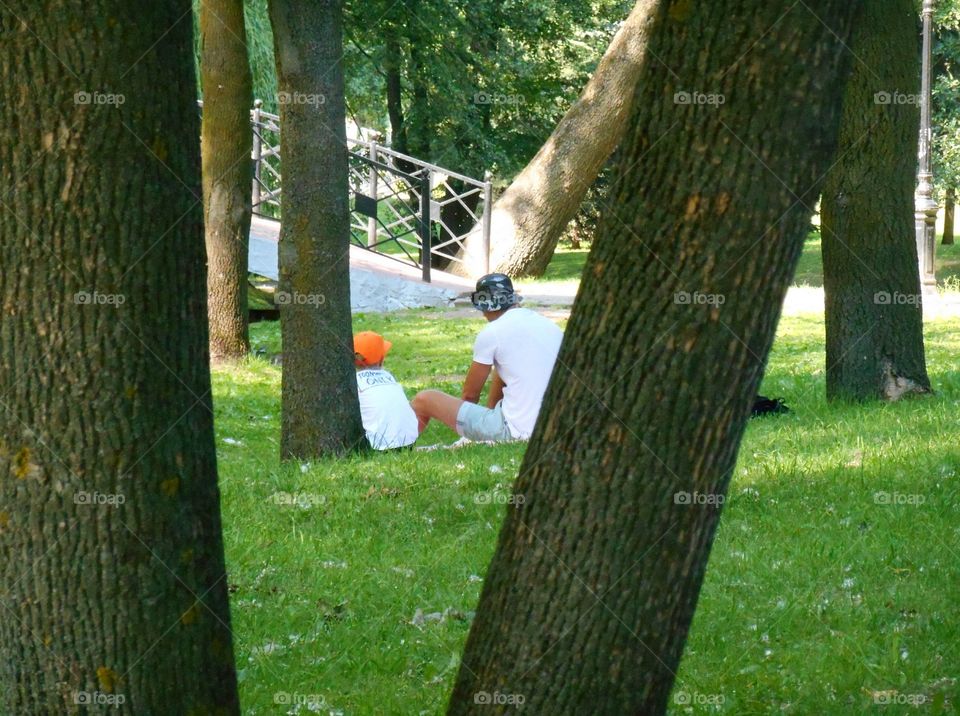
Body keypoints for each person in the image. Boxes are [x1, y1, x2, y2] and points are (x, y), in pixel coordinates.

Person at [412, 273, 563, 442]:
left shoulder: (493, 332)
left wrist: (466, 424)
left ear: (486, 305)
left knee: (424, 399)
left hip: (517, 430)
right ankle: (492, 420)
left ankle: (396, 445)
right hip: (555, 426)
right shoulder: (548, 325)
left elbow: (470, 395)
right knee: (502, 368)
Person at [354, 331, 419, 451]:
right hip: (409, 443)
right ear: (382, 359)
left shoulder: (354, 381)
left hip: (376, 446)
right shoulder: (388, 376)